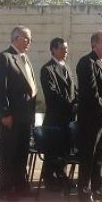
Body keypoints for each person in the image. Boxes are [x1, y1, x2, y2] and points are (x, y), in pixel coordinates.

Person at [0, 26, 37, 201]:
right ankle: (5, 188)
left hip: (25, 116)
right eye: (26, 38)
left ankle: (20, 185)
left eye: (30, 38)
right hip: (11, 116)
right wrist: (5, 113)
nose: (29, 41)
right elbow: (0, 89)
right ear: (15, 38)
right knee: (9, 153)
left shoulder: (25, 59)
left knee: (21, 153)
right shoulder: (5, 58)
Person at [76, 31, 102, 202]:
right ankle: (84, 192)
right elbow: (90, 92)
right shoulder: (87, 62)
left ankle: (98, 189)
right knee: (89, 156)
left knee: (101, 155)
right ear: (94, 44)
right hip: (91, 119)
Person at [40, 37, 77, 190]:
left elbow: (73, 91)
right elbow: (53, 94)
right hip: (55, 117)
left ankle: (62, 176)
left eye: (66, 48)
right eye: (62, 48)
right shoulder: (47, 69)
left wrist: (78, 102)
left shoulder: (67, 67)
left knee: (64, 150)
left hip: (68, 117)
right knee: (53, 151)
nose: (65, 51)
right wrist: (70, 105)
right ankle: (50, 180)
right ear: (54, 49)